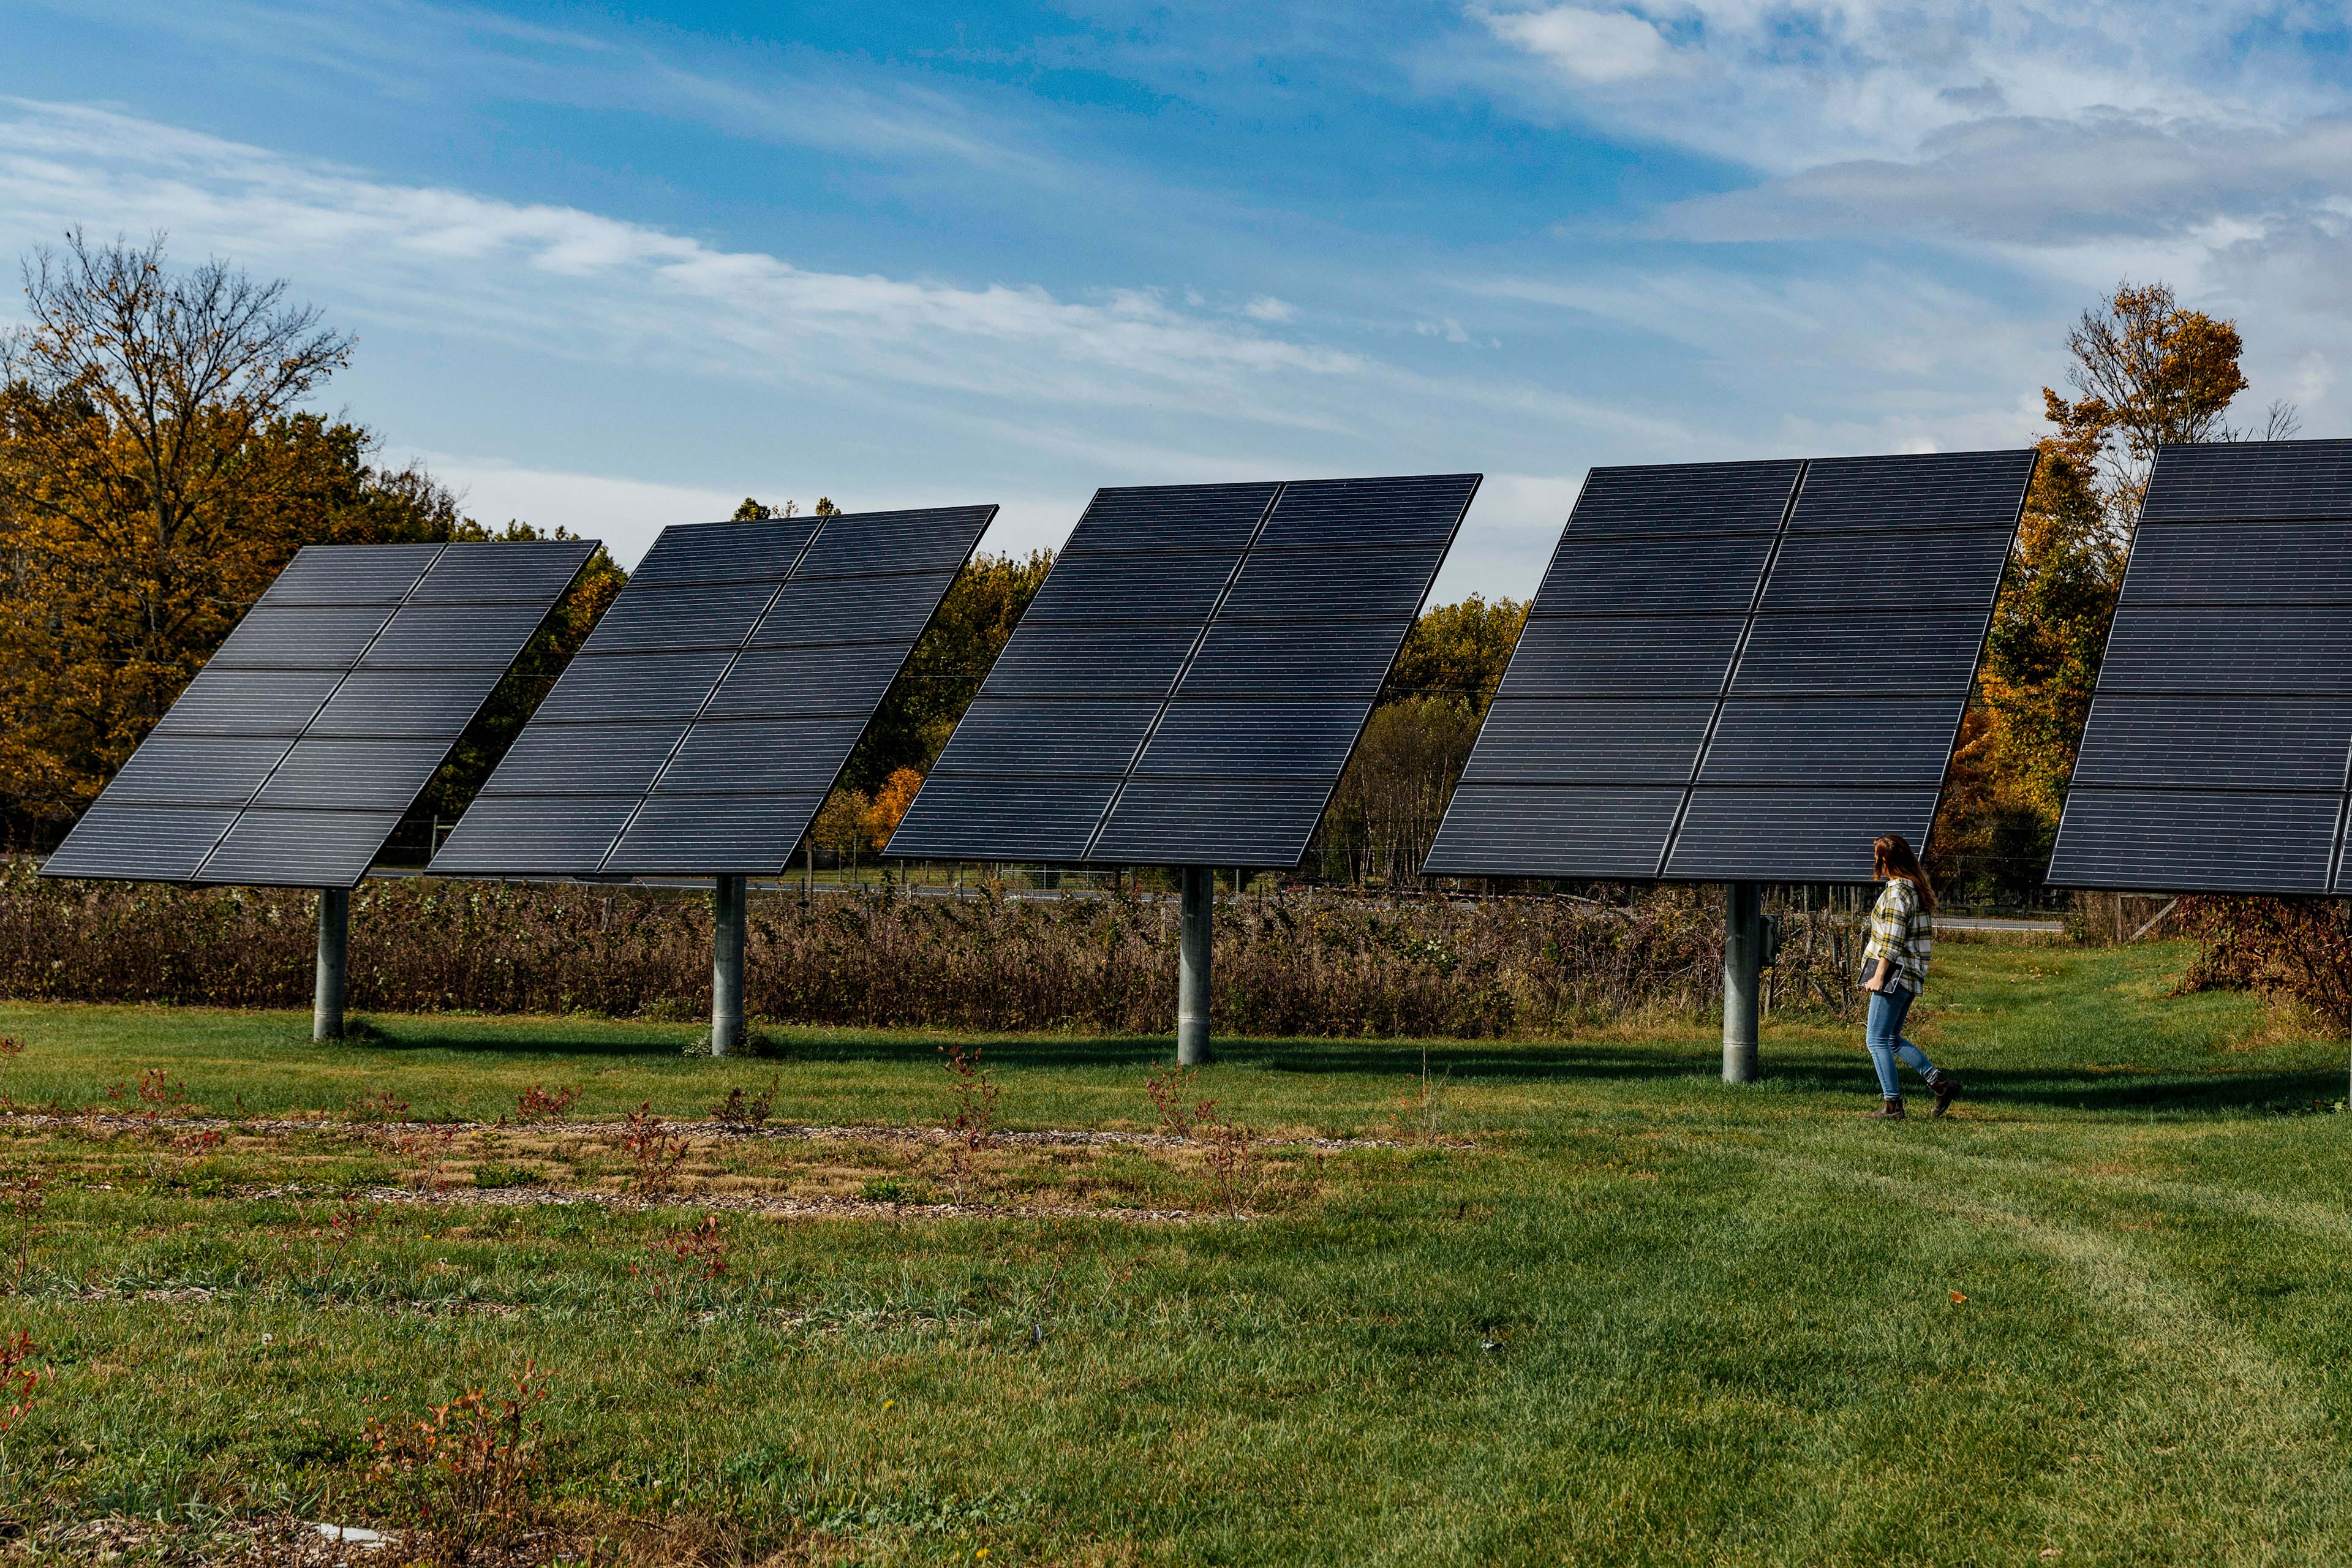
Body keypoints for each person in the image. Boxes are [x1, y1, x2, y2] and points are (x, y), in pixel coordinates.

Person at [1858, 834, 1960, 1120]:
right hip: (1910, 976)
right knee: (1891, 1039)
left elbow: (1892, 941)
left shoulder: (1897, 893)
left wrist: (1879, 976)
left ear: (1885, 860)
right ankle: (1940, 1085)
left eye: (1877, 856)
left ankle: (1893, 1106)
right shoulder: (1914, 889)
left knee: (1875, 1041)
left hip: (1894, 975)